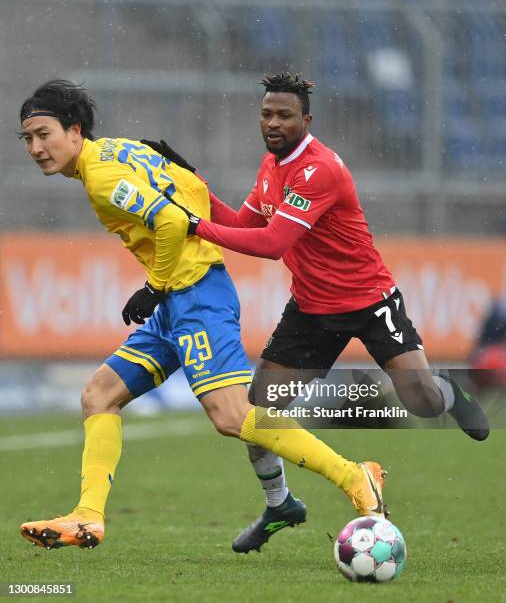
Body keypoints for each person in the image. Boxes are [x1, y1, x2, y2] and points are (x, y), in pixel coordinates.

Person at [18, 80, 387, 551]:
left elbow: (172, 220)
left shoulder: (103, 175)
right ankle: (88, 517)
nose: (35, 148)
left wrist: (155, 285)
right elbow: (187, 185)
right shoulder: (118, 150)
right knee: (99, 395)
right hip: (177, 298)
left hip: (194, 295)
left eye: (43, 134)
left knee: (233, 415)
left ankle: (356, 477)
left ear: (74, 131)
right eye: (27, 138)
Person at [147, 72, 490, 554]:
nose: (272, 122)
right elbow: (243, 223)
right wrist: (193, 185)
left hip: (370, 301)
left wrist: (194, 226)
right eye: (266, 113)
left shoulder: (319, 169)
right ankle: (279, 505)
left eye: (284, 115)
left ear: (306, 120)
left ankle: (449, 393)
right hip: (310, 311)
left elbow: (271, 244)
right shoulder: (272, 166)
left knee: (422, 402)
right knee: (259, 416)